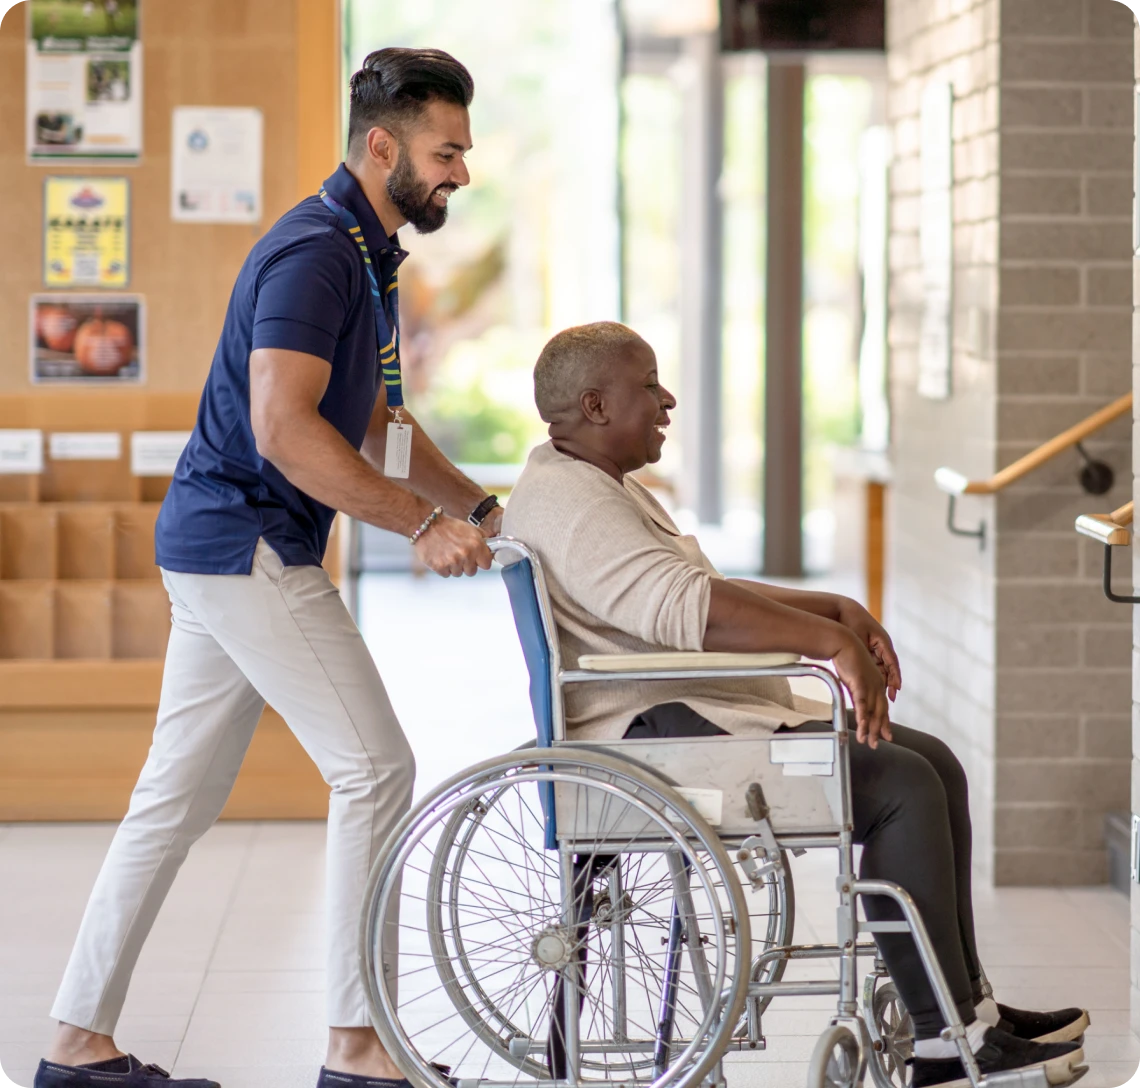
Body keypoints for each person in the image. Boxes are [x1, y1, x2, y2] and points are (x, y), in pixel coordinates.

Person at [37, 48, 500, 1088]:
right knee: (375, 765)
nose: (461, 172)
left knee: (173, 801)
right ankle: (355, 1043)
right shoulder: (315, 256)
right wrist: (421, 526)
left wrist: (477, 503)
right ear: (382, 146)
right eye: (447, 150)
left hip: (220, 546)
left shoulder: (367, 255)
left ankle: (73, 1044)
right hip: (247, 543)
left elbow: (378, 422)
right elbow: (286, 431)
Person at [501, 321, 1090, 1088]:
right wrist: (828, 646)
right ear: (595, 405)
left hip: (681, 717)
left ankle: (964, 1007)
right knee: (902, 787)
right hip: (657, 739)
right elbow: (691, 611)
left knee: (934, 762)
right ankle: (944, 1042)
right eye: (648, 385)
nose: (667, 398)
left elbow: (700, 591)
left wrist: (830, 610)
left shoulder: (585, 485)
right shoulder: (575, 505)